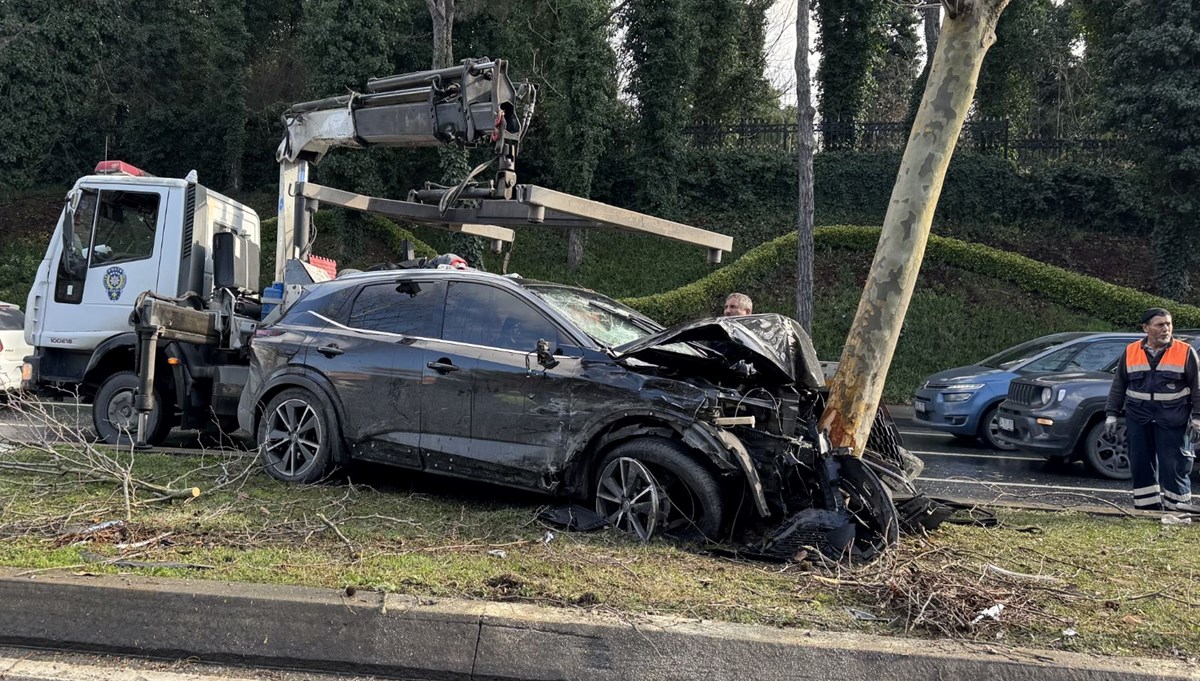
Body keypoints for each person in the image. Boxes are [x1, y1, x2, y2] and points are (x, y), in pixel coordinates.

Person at [1104, 308, 1200, 512]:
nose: (1166, 329)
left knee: (1174, 466)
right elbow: (1119, 385)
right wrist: (1111, 414)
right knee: (1140, 465)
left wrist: (1198, 418)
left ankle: (1178, 511)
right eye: (1160, 325)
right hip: (1139, 417)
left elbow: (1197, 388)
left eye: (1169, 324)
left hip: (1173, 418)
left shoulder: (1184, 351)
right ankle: (1147, 510)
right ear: (1146, 328)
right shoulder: (1131, 351)